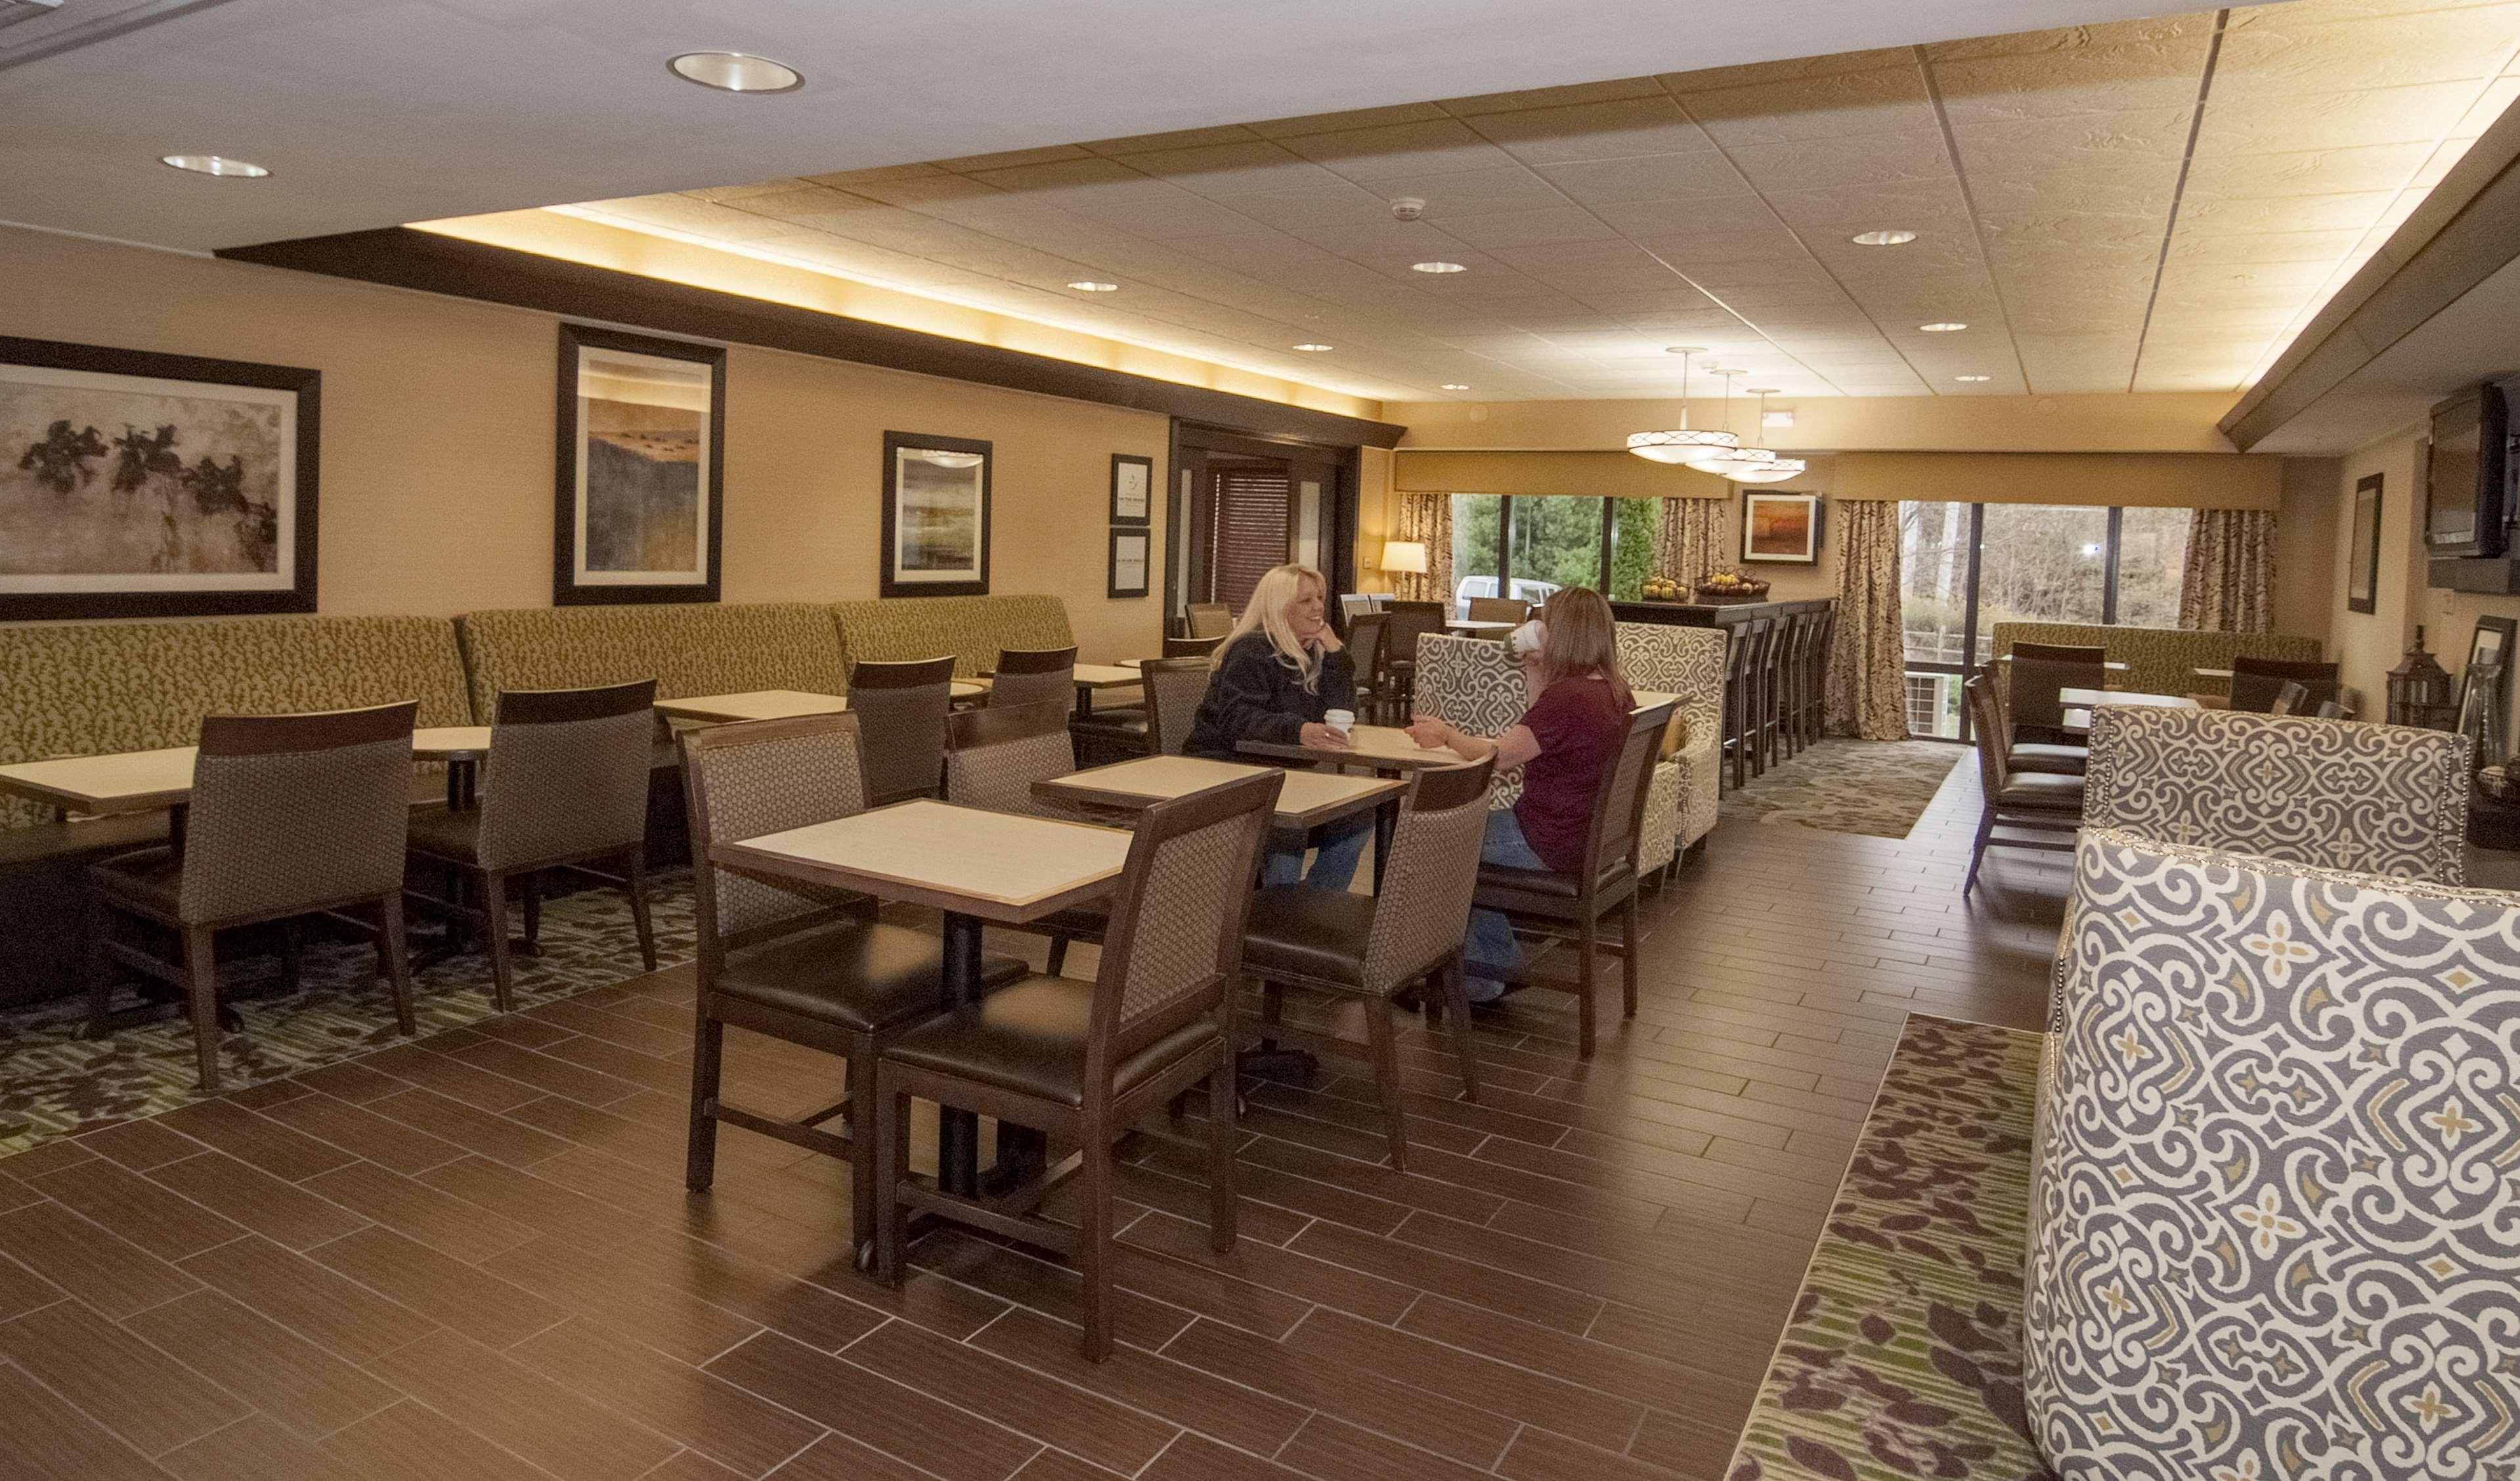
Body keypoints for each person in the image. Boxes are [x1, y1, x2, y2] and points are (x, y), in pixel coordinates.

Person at [1406, 586, 1632, 1000]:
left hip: (1545, 839)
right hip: (1583, 838)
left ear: (1564, 633)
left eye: (1546, 622)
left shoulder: (1570, 698)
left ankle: (1477, 974)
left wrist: (1446, 735)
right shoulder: (1613, 691)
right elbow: (1539, 732)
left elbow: (1499, 757)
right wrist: (1535, 668)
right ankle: (1495, 964)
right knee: (1462, 842)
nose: (1539, 627)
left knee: (1433, 840)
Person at [1183, 563, 1372, 889]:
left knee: (1360, 814)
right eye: (1306, 601)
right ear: (1280, 608)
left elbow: (1343, 711)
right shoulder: (1251, 650)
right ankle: (1279, 906)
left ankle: (1313, 901)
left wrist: (1335, 652)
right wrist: (1299, 731)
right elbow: (1237, 720)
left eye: (1320, 598)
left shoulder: (1311, 649)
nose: (1318, 607)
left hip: (1281, 769)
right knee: (1288, 825)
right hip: (1224, 767)